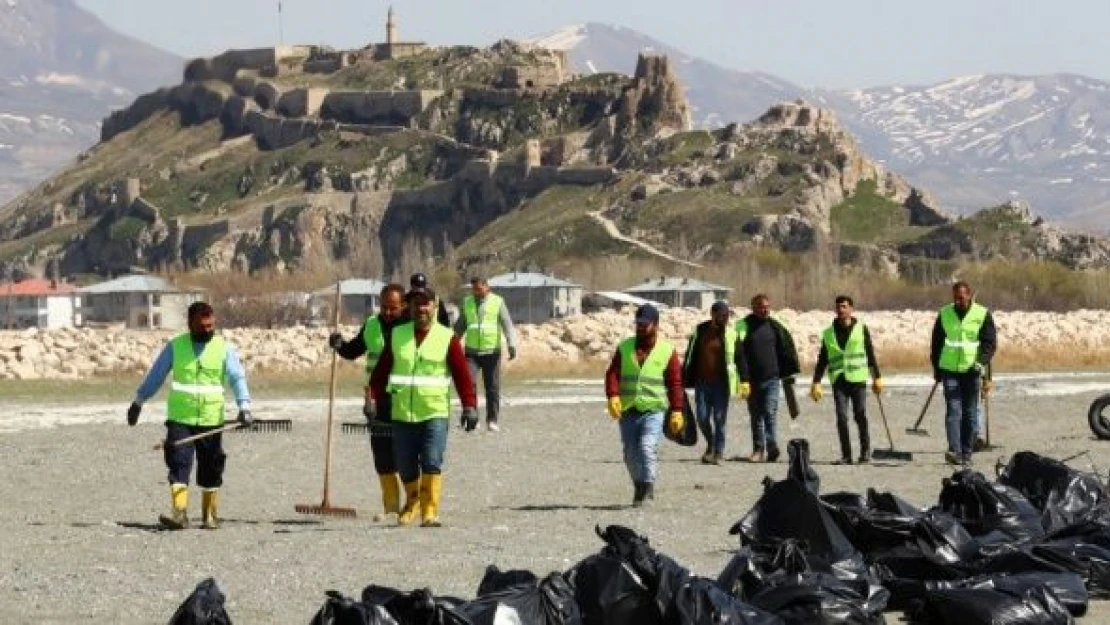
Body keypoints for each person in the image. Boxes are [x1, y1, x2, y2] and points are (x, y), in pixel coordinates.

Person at [126, 302, 252, 530]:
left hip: (211, 419)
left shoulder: (224, 348)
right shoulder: (176, 347)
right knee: (178, 462)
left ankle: (210, 515)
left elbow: (237, 378)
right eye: (203, 326)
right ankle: (179, 514)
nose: (208, 330)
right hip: (180, 418)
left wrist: (244, 407)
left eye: (211, 326)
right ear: (191, 324)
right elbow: (155, 376)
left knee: (211, 468)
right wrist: (138, 402)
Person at [368, 285, 477, 527]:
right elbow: (380, 373)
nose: (421, 309)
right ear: (410, 308)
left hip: (434, 412)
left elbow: (462, 376)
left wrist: (470, 405)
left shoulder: (447, 338)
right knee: (406, 466)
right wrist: (372, 399)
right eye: (417, 304)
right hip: (403, 415)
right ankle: (412, 503)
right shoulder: (397, 335)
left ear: (434, 306)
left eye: (426, 303)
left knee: (431, 460)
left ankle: (429, 511)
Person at [327, 283, 407, 519]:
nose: (388, 312)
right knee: (382, 456)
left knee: (406, 454)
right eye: (384, 307)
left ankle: (413, 504)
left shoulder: (410, 327)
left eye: (393, 307)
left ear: (403, 306)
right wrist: (339, 345)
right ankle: (391, 507)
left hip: (405, 398)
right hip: (376, 398)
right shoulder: (372, 325)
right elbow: (354, 351)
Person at [605, 304, 685, 507]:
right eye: (638, 324)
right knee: (630, 454)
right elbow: (612, 374)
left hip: (654, 410)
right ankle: (639, 485)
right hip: (628, 410)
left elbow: (675, 383)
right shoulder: (625, 347)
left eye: (644, 324)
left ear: (656, 325)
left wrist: (677, 410)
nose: (640, 328)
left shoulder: (667, 351)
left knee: (647, 447)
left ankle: (648, 488)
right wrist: (613, 395)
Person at [810, 295, 884, 464]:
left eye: (844, 306)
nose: (841, 310)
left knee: (860, 415)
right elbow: (823, 359)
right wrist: (816, 381)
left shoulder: (861, 329)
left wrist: (877, 378)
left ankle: (865, 452)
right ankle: (846, 455)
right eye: (838, 307)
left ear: (851, 309)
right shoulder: (829, 333)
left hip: (858, 379)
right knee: (841, 418)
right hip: (839, 381)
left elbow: (870, 354)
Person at [930, 281, 997, 466]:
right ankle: (954, 450)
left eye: (961, 297)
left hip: (972, 370)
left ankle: (967, 452)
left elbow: (990, 343)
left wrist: (980, 363)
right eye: (955, 297)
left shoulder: (982, 314)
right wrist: (936, 369)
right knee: (953, 410)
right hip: (949, 370)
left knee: (969, 412)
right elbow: (936, 343)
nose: (958, 300)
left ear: (969, 295)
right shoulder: (944, 314)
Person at [734, 294, 800, 463]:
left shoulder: (775, 327)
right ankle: (758, 449)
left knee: (770, 413)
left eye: (767, 307)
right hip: (752, 381)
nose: (765, 310)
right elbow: (740, 355)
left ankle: (772, 447)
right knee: (756, 416)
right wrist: (744, 380)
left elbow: (785, 351)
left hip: (772, 379)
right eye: (761, 307)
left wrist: (788, 373)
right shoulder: (744, 327)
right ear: (754, 307)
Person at [453, 276, 518, 432]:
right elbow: (460, 327)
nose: (476, 292)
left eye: (479, 289)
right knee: (468, 384)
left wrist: (511, 344)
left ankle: (492, 420)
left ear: (486, 287)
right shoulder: (467, 302)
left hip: (492, 352)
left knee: (492, 387)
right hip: (471, 353)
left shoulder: (498, 302)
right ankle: (472, 418)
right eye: (474, 289)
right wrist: (451, 345)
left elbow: (507, 324)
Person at [682, 301, 736, 465]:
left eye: (727, 316)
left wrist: (745, 380)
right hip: (702, 383)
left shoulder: (730, 334)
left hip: (721, 384)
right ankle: (711, 443)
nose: (725, 319)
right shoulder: (700, 330)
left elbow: (739, 357)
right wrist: (684, 374)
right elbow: (690, 353)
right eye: (722, 315)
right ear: (713, 315)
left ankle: (718, 452)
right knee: (702, 418)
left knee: (720, 419)